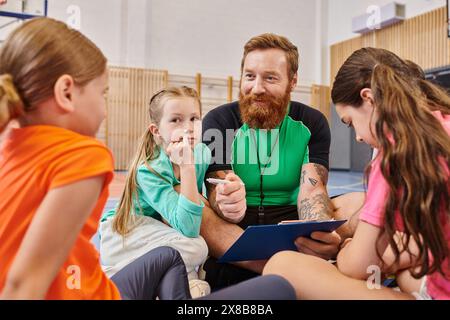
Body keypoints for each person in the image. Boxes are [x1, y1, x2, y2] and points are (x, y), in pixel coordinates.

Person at [262, 47, 450, 300]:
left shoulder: (395, 155)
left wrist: (346, 250)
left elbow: (357, 267)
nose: (359, 137)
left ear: (369, 99)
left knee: (282, 265)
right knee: (408, 271)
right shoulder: (442, 122)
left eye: (350, 122)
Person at [201, 33, 365, 289]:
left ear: (292, 81)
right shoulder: (219, 120)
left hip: (289, 223)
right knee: (191, 204)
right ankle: (285, 268)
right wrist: (225, 200)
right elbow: (216, 187)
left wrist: (318, 231)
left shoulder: (311, 122)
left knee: (362, 201)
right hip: (234, 227)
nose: (256, 88)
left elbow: (312, 190)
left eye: (270, 78)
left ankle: (293, 259)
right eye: (250, 76)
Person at [100, 87, 212, 298]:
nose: (188, 127)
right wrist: (187, 166)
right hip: (123, 234)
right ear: (156, 130)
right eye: (176, 120)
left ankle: (175, 280)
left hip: (158, 233)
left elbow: (192, 209)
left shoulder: (203, 153)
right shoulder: (151, 169)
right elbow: (188, 228)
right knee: (198, 247)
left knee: (190, 247)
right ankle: (118, 272)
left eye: (194, 118)